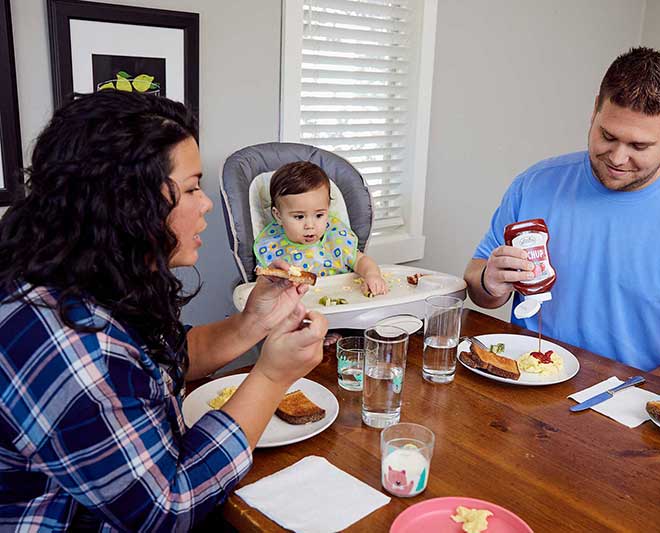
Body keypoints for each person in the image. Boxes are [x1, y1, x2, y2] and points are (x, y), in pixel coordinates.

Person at [0, 90, 327, 531]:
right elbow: (168, 509)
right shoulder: (69, 339)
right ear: (129, 201)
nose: (206, 202)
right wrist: (271, 376)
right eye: (192, 187)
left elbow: (159, 361)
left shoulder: (90, 271)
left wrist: (254, 323)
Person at [465, 47, 660, 382]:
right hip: (529, 385)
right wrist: (490, 281)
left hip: (636, 406)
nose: (617, 157)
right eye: (608, 136)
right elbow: (478, 282)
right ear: (594, 112)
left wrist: (630, 392)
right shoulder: (535, 184)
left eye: (639, 146)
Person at [254, 161, 387, 297]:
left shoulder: (336, 240)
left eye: (319, 215)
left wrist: (372, 275)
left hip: (343, 302)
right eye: (299, 217)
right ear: (278, 216)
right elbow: (262, 286)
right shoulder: (273, 249)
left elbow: (361, 261)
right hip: (295, 309)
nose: (310, 225)